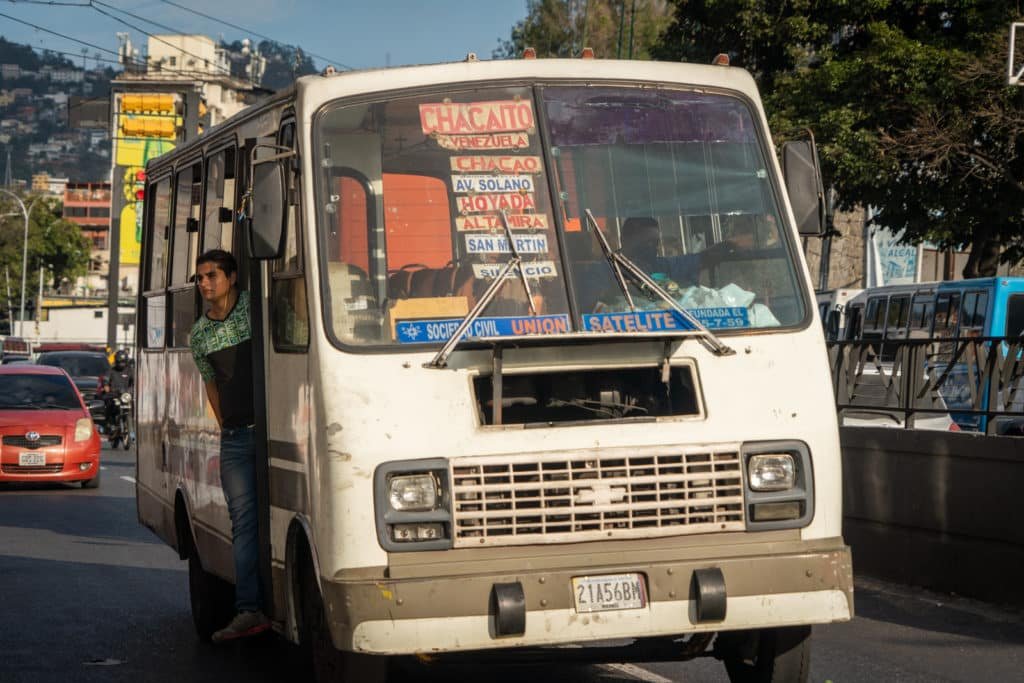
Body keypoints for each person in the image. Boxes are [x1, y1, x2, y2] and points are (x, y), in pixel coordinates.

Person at [188, 248, 269, 642]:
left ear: (232, 278)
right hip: (236, 440)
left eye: (211, 276)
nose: (204, 284)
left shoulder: (257, 310)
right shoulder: (200, 334)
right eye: (200, 278)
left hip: (276, 434)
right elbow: (211, 385)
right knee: (244, 524)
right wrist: (228, 428)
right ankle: (249, 609)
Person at [101, 349, 133, 428]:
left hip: (126, 395)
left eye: (123, 361)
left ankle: (131, 423)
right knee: (109, 403)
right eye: (120, 362)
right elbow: (106, 380)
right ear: (116, 361)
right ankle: (109, 423)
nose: (122, 364)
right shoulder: (111, 371)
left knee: (134, 405)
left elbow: (134, 381)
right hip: (114, 394)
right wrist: (106, 386)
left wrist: (133, 389)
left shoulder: (130, 371)